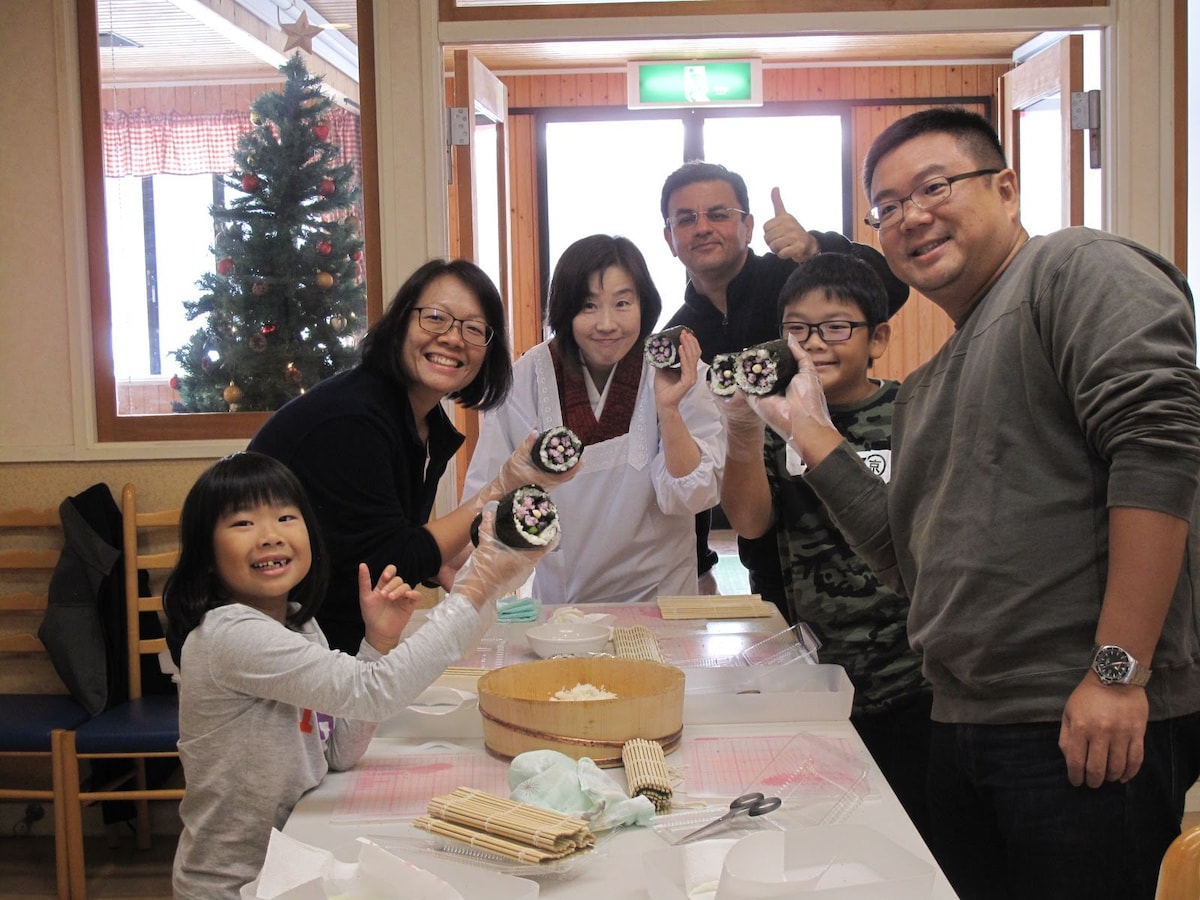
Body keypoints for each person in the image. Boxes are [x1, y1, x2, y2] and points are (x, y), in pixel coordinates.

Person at [766, 107, 1200, 899]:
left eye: (933, 187)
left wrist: (1116, 672)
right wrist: (813, 437)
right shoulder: (931, 385)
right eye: (887, 207)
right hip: (964, 720)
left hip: (1078, 721)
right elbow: (906, 559)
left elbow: (1161, 450)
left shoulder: (1075, 269)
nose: (911, 217)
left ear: (1005, 187)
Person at [164, 451, 552, 899]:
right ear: (206, 553)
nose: (270, 536)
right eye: (242, 523)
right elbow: (375, 694)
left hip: (295, 862)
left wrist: (378, 643)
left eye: (286, 517)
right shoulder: (230, 634)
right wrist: (478, 583)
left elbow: (338, 752)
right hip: (237, 886)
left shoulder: (296, 623)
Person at [249, 259, 576, 652]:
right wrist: (501, 487)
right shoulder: (353, 419)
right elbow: (389, 564)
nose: (454, 338)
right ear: (401, 322)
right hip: (275, 643)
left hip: (335, 636)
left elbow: (379, 537)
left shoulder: (421, 421)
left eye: (473, 329)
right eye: (436, 318)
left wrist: (439, 563)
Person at [718, 252, 931, 840]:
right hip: (823, 674)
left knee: (918, 836)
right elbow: (750, 521)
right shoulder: (777, 417)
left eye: (837, 327)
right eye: (797, 329)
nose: (815, 344)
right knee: (830, 835)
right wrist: (743, 431)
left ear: (878, 337)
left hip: (918, 678)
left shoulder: (910, 413)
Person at [659, 162, 909, 607]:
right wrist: (699, 565)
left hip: (870, 519)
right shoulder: (681, 339)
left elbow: (887, 287)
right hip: (775, 548)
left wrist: (816, 247)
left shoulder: (791, 275)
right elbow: (693, 452)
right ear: (669, 239)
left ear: (748, 225)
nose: (702, 228)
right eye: (686, 218)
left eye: (718, 213)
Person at [463, 234, 724, 604]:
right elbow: (488, 494)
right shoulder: (529, 376)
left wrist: (668, 409)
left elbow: (692, 495)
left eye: (622, 303)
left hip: (661, 598)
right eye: (588, 306)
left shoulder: (679, 373)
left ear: (643, 305)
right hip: (563, 602)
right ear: (565, 310)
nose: (606, 324)